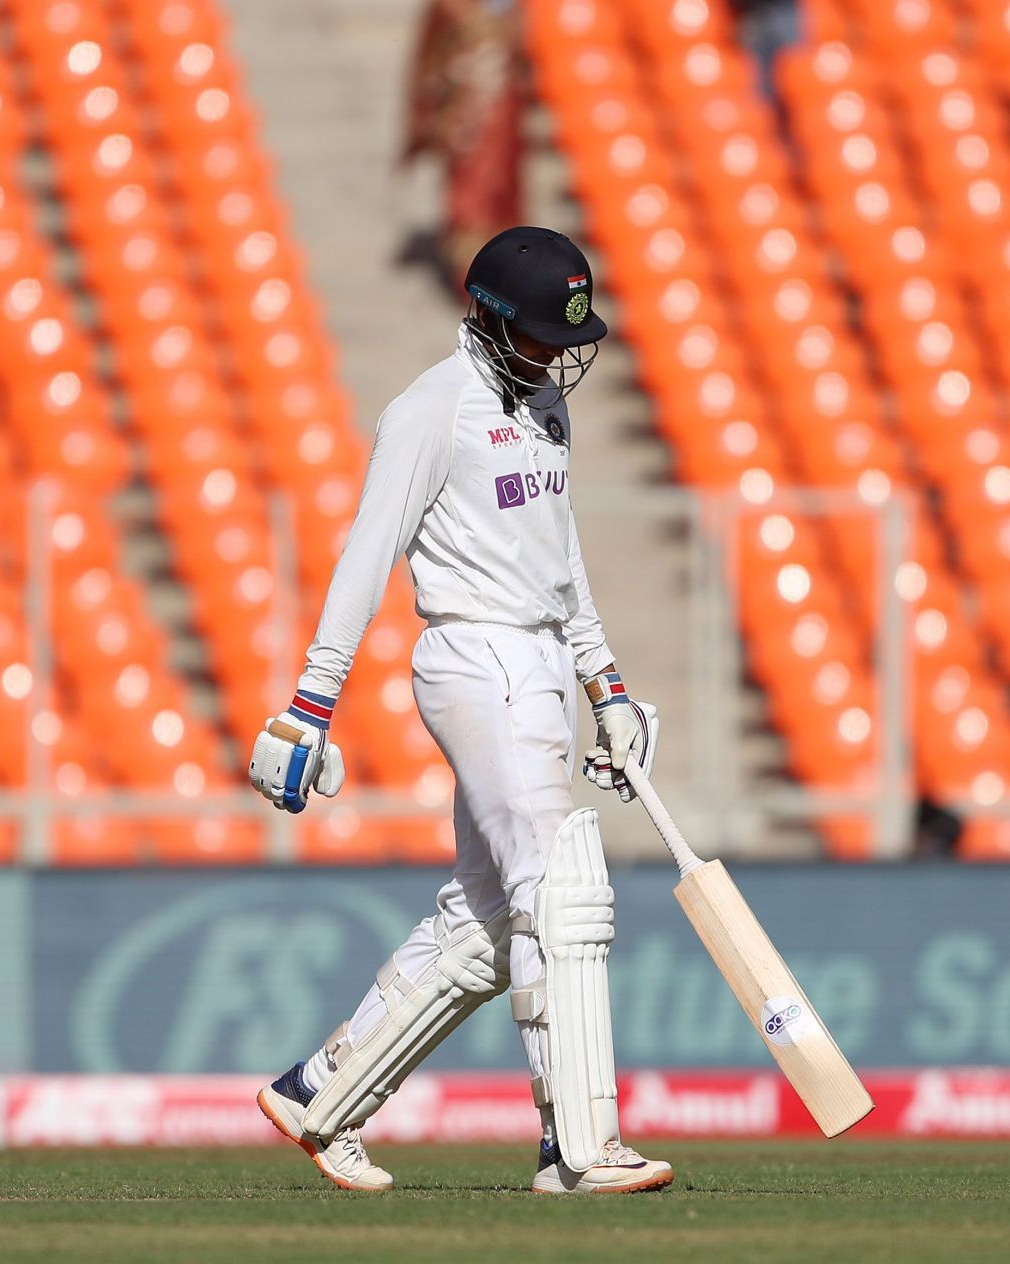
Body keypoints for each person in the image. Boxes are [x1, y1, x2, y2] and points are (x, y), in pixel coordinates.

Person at [248, 226, 668, 1195]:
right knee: (558, 889)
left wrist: (605, 683)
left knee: (486, 921)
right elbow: (367, 552)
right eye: (535, 335)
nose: (557, 353)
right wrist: (313, 701)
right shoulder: (430, 410)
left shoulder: (548, 403)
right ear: (484, 317)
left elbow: (562, 564)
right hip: (473, 653)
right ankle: (577, 1143)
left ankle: (320, 1094)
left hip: (542, 658)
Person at [402, 0, 525, 292]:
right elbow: (433, 47)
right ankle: (473, 277)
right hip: (467, 109)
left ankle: (505, 272)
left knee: (501, 189)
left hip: (503, 105)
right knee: (472, 194)